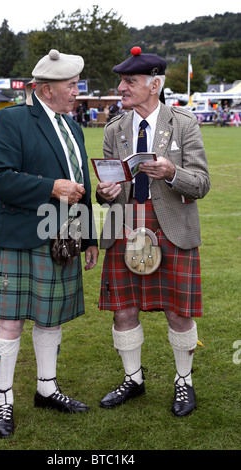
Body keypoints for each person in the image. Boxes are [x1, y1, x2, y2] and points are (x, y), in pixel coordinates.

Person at [0, 49, 99, 438]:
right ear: (45, 88)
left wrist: (89, 236)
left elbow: (81, 185)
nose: (78, 91)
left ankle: (47, 389)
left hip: (61, 238)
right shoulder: (12, 119)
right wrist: (50, 188)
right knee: (8, 323)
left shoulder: (73, 127)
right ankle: (3, 399)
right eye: (71, 85)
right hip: (16, 237)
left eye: (77, 84)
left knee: (50, 318)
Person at [96, 47, 210, 417]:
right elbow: (107, 185)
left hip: (171, 228)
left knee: (178, 312)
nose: (121, 88)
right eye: (122, 81)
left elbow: (202, 183)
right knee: (123, 311)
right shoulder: (115, 128)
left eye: (129, 82)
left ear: (154, 85)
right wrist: (104, 192)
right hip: (124, 227)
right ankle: (133, 379)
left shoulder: (184, 123)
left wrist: (172, 173)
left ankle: (183, 381)